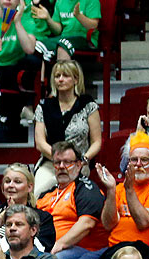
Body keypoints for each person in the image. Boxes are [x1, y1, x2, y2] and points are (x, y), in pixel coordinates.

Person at [34, 62, 102, 197]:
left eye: (65, 75)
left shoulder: (88, 105)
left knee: (73, 196)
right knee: (38, 192)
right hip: (50, 162)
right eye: (57, 76)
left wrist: (83, 160)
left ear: (76, 79)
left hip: (78, 163)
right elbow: (40, 143)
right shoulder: (44, 106)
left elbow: (97, 142)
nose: (60, 79)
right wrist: (59, 160)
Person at [99, 133, 149, 250]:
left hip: (140, 251)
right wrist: (111, 190)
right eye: (134, 160)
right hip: (113, 248)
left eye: (144, 160)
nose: (138, 164)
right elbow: (108, 224)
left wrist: (129, 190)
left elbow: (143, 222)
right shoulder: (120, 187)